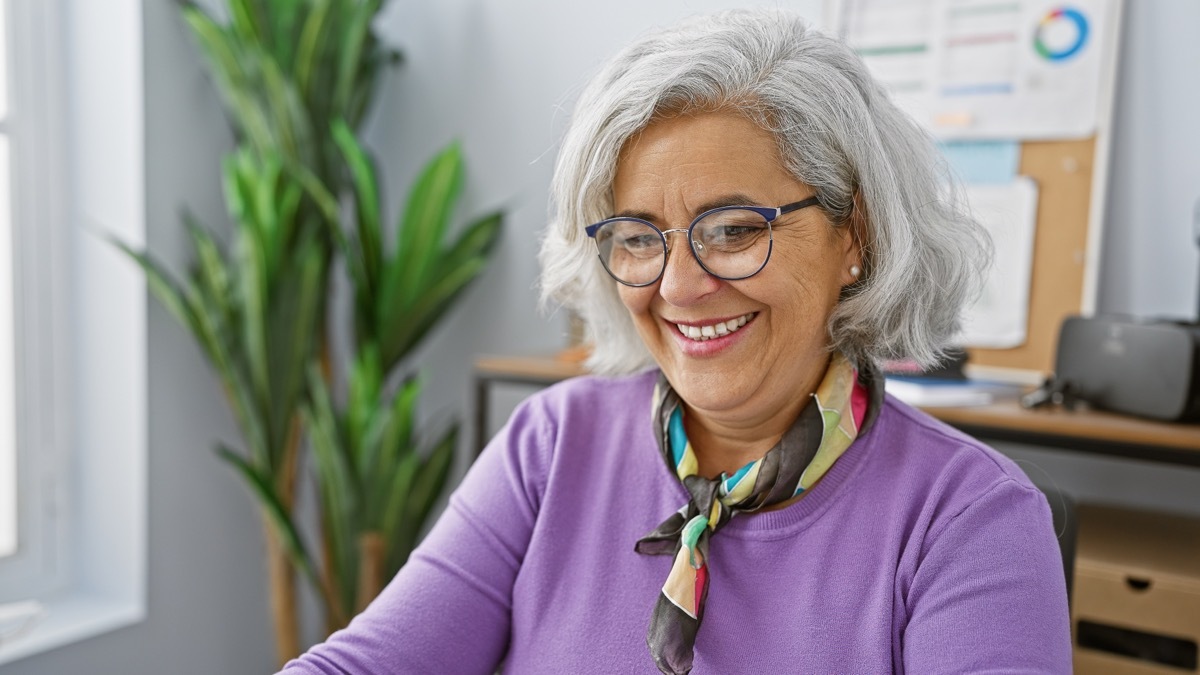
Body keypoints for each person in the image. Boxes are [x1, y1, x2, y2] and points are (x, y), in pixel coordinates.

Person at [280, 9, 1071, 674]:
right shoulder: (552, 444)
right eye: (637, 236)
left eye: (733, 230)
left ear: (853, 232)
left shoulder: (970, 518)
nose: (679, 286)